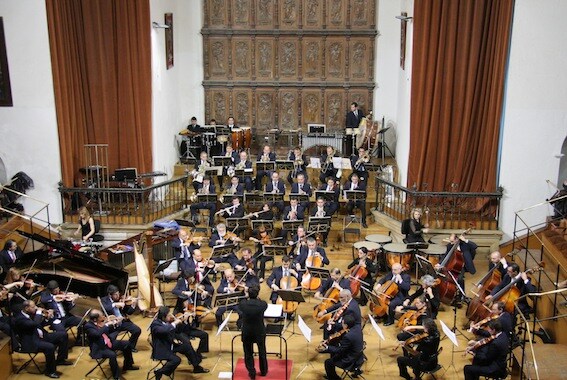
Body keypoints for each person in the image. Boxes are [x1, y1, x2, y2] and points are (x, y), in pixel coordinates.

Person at [14, 300, 71, 379]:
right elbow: (34, 324)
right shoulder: (19, 318)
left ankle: (61, 360)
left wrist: (48, 318)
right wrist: (39, 313)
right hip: (32, 342)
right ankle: (50, 371)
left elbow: (41, 324)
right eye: (33, 307)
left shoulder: (31, 313)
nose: (36, 308)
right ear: (26, 308)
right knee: (50, 347)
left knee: (63, 335)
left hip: (42, 336)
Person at [150, 306, 209, 379]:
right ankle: (160, 371)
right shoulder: (155, 324)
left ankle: (196, 367)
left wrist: (183, 321)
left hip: (170, 345)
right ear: (163, 316)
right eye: (169, 315)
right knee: (177, 360)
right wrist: (174, 323)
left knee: (187, 347)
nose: (171, 316)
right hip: (162, 349)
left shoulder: (167, 322)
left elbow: (178, 331)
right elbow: (164, 330)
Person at [84, 309, 138, 380]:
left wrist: (114, 322)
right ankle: (116, 376)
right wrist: (106, 325)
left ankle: (128, 365)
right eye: (101, 316)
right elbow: (97, 334)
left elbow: (109, 331)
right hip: (99, 348)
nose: (103, 316)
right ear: (95, 319)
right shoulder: (88, 326)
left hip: (108, 342)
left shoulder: (100, 322)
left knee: (127, 344)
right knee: (112, 354)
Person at [436, 232, 478, 305]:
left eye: (452, 241)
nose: (451, 243)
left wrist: (465, 240)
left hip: (462, 264)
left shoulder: (464, 244)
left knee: (460, 278)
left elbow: (475, 246)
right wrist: (440, 264)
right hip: (452, 264)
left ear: (456, 240)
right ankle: (450, 294)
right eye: (450, 241)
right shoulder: (450, 245)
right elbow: (446, 255)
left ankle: (462, 295)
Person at [320, 314, 364, 380]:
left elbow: (340, 350)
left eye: (342, 323)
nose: (341, 324)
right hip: (359, 357)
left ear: (346, 325)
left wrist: (327, 347)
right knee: (334, 351)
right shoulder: (357, 328)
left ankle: (334, 378)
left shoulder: (348, 336)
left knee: (328, 362)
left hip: (350, 360)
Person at [100, 285, 142, 351]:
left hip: (123, 322)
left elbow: (129, 312)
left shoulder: (121, 300)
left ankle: (130, 346)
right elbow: (105, 308)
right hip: (112, 324)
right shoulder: (104, 300)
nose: (118, 296)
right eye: (115, 294)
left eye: (118, 293)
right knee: (110, 339)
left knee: (137, 330)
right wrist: (115, 305)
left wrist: (133, 305)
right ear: (110, 295)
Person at [239, 285, 268, 379]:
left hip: (247, 332)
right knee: (262, 351)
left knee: (248, 353)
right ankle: (263, 371)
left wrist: (245, 294)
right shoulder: (263, 304)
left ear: (248, 294)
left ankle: (252, 372)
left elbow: (241, 300)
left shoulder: (243, 304)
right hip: (259, 331)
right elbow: (261, 302)